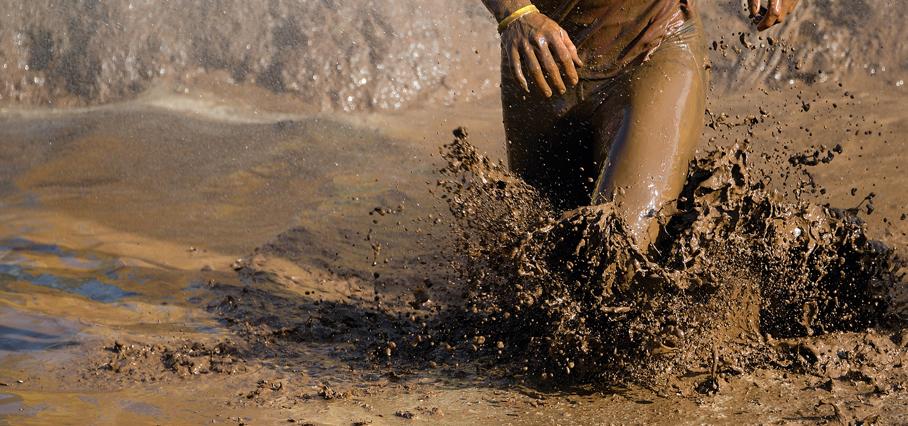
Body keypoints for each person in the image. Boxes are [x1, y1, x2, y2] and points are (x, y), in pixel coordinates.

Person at [482, 0, 799, 248]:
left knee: (619, 245)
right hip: (539, 62)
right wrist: (514, 13)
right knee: (533, 255)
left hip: (654, 47)